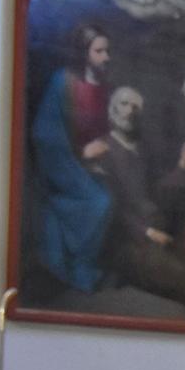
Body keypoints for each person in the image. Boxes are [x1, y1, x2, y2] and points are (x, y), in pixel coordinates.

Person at [88, 86, 185, 321]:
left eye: (136, 107)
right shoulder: (101, 151)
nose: (130, 111)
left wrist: (181, 167)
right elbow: (110, 209)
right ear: (111, 110)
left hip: (155, 236)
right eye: (124, 104)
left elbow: (156, 194)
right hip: (128, 244)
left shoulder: (140, 150)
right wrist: (147, 232)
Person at [26, 24, 116, 293]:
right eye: (99, 51)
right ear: (84, 53)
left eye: (107, 51)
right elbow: (44, 132)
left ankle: (78, 263)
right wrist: (79, 154)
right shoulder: (63, 81)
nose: (106, 57)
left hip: (90, 161)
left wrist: (100, 150)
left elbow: (102, 128)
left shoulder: (103, 85)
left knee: (110, 195)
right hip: (61, 160)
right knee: (100, 202)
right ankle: (77, 265)